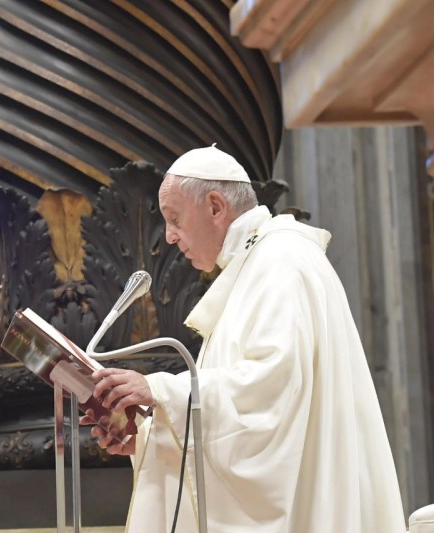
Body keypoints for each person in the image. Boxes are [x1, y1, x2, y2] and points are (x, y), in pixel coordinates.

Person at [84, 145, 406, 532]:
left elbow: (271, 390)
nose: (169, 237)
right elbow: (246, 413)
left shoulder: (281, 260)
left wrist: (159, 390)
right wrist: (154, 439)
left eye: (175, 219)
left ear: (215, 207)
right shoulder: (258, 263)